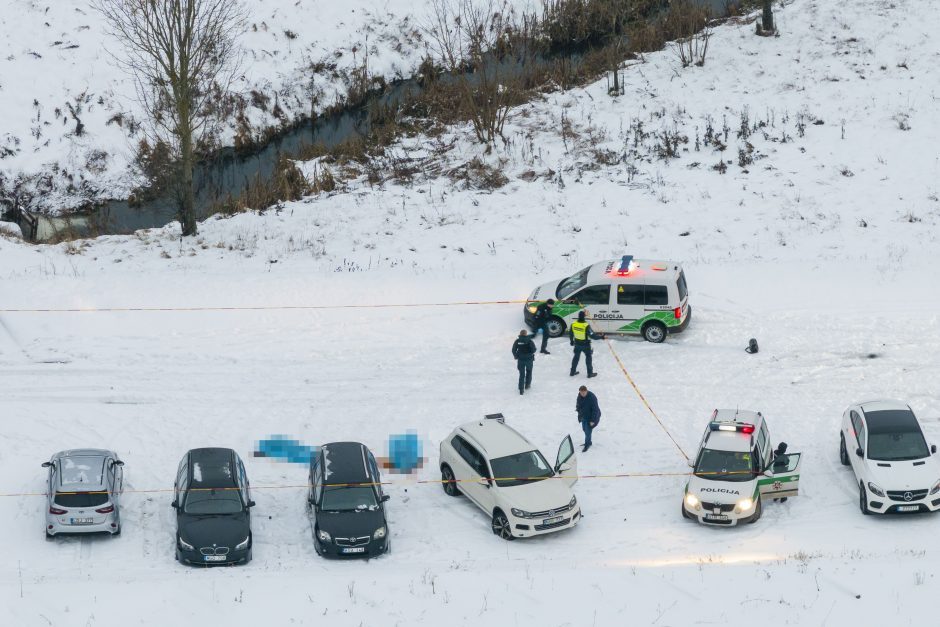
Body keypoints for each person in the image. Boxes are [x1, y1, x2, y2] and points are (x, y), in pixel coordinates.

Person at [569, 310, 603, 378]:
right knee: (588, 358)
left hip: (577, 344)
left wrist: (571, 341)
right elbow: (593, 336)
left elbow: (571, 333)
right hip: (586, 345)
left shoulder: (573, 324)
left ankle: (572, 372)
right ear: (584, 317)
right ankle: (590, 373)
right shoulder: (586, 325)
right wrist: (602, 337)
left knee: (576, 357)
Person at [511, 329, 537, 395]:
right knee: (529, 372)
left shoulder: (517, 341)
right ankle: (527, 385)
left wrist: (516, 356)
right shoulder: (530, 341)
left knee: (521, 374)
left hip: (521, 360)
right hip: (529, 360)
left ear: (520, 334)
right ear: (526, 334)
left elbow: (513, 349)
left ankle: (521, 389)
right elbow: (534, 350)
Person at [576, 386, 601, 452]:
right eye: (581, 393)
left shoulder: (592, 397)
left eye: (584, 393)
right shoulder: (579, 396)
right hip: (584, 416)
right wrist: (578, 409)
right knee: (584, 429)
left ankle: (587, 444)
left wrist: (593, 420)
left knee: (588, 431)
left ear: (586, 391)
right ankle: (589, 441)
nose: (582, 394)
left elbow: (595, 410)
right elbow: (578, 403)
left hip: (590, 417)